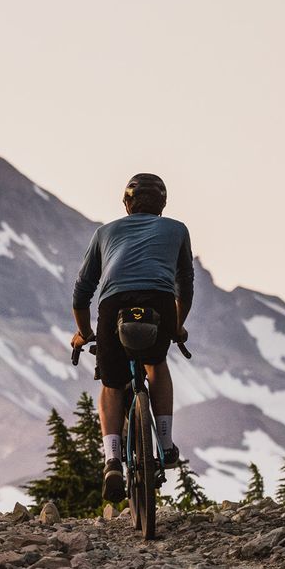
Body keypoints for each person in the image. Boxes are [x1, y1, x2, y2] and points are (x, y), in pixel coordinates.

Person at [69, 172, 194, 501]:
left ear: (126, 204)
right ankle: (165, 446)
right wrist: (177, 326)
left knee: (111, 385)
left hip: (114, 305)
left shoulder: (104, 232)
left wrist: (84, 334)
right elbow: (186, 284)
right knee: (157, 365)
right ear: (163, 205)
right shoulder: (177, 230)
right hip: (160, 300)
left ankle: (111, 459)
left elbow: (82, 293)